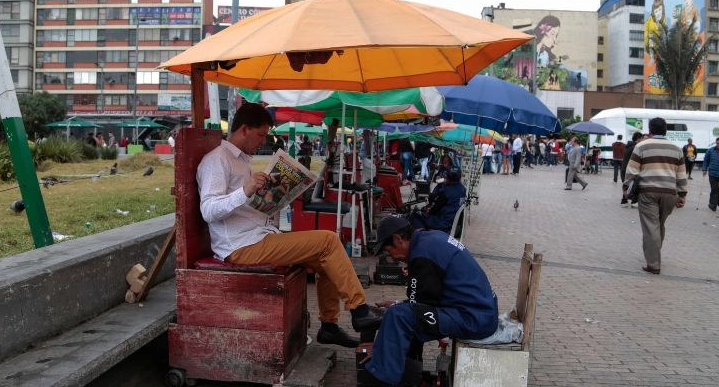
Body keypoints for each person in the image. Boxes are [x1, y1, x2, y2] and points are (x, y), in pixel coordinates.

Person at [196, 102, 381, 349]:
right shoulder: (217, 160)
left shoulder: (242, 160)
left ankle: (329, 325)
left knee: (327, 259)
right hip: (240, 246)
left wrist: (272, 196)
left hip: (258, 235)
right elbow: (208, 210)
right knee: (327, 240)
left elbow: (242, 205)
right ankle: (360, 311)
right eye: (261, 134)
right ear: (243, 129)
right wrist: (246, 190)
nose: (263, 141)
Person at [357, 216, 499, 386]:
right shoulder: (428, 240)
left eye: (389, 252)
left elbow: (417, 308)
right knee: (401, 313)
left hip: (474, 319)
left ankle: (383, 380)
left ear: (398, 239)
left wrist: (383, 349)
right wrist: (399, 304)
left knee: (398, 316)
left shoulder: (421, 256)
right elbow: (423, 301)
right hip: (478, 313)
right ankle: (408, 372)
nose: (393, 258)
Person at [623, 117, 687, 275]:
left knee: (651, 227)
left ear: (650, 130)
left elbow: (632, 170)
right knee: (659, 224)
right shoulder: (676, 148)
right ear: (666, 130)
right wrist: (682, 194)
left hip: (648, 192)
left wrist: (626, 187)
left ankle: (653, 264)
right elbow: (681, 174)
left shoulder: (642, 146)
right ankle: (655, 256)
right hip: (670, 193)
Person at [408, 167, 466, 233]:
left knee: (416, 213)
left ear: (448, 178)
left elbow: (433, 209)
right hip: (454, 223)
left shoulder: (445, 192)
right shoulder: (463, 189)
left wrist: (425, 209)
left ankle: (421, 235)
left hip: (443, 224)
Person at [621, 132, 644, 207]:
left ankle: (625, 201)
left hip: (624, 168)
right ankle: (633, 201)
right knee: (635, 185)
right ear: (638, 139)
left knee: (628, 185)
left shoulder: (628, 146)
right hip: (630, 169)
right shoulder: (636, 147)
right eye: (642, 139)